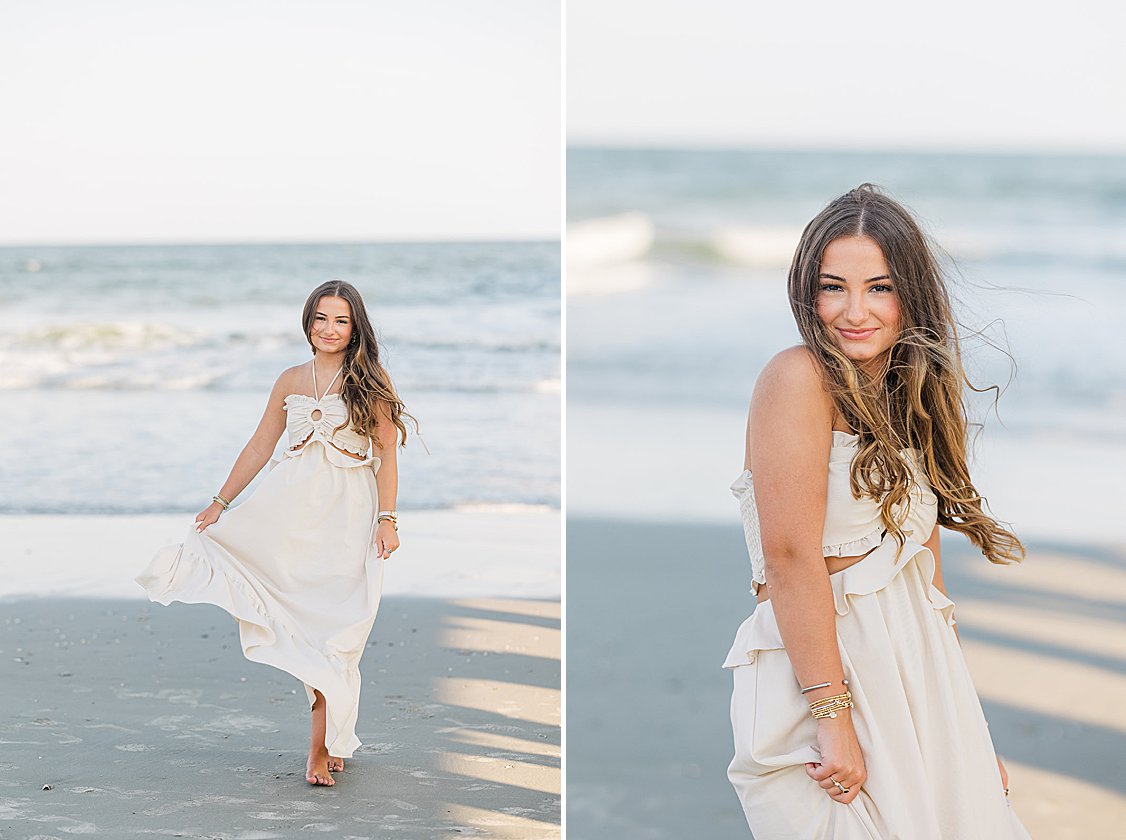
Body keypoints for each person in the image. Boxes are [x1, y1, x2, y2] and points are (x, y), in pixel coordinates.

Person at [724, 185, 1033, 838]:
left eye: (880, 288)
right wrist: (833, 719)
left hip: (921, 677)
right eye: (834, 287)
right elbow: (789, 557)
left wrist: (970, 733)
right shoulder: (797, 378)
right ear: (808, 291)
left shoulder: (912, 395)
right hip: (827, 674)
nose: (854, 311)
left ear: (910, 295)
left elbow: (930, 582)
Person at [136, 280, 413, 787]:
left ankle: (326, 742)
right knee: (301, 623)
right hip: (288, 517)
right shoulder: (289, 379)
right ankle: (318, 748)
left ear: (356, 328)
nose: (328, 329)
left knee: (339, 628)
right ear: (307, 321)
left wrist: (388, 519)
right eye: (320, 318)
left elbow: (387, 456)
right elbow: (261, 445)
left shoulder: (370, 382)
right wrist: (221, 503)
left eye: (341, 320)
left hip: (347, 519)